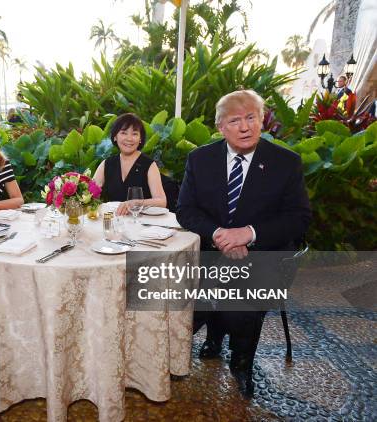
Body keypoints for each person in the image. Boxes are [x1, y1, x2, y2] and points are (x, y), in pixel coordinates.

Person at [176, 89, 311, 398]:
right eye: (235, 120)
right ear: (221, 127)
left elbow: (299, 217)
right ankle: (206, 339)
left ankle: (242, 362)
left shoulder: (285, 163)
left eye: (251, 117)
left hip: (265, 255)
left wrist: (248, 234)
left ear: (262, 121)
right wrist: (220, 234)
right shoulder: (200, 159)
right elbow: (185, 210)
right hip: (213, 250)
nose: (245, 127)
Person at [93, 112, 166, 215]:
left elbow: (162, 201)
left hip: (141, 224)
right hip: (113, 222)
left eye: (134, 134)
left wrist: (136, 203)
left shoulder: (149, 165)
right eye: (124, 133)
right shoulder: (107, 164)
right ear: (115, 137)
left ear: (140, 139)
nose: (129, 138)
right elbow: (90, 194)